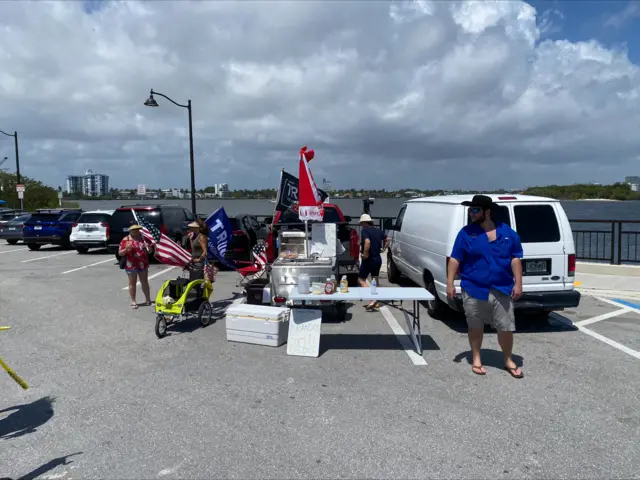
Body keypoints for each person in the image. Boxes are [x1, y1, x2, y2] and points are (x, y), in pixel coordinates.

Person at [446, 195, 524, 378]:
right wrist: (450, 283)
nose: (471, 213)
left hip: (502, 287)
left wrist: (519, 284)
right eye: (470, 210)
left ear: (487, 212)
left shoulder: (508, 233)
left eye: (475, 210)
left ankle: (507, 359)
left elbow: (515, 259)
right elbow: (455, 259)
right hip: (473, 287)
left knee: (505, 326)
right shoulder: (466, 233)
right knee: (475, 325)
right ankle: (476, 358)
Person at [358, 213, 390, 311]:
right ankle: (376, 302)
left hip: (369, 259)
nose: (361, 225)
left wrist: (365, 255)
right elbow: (388, 239)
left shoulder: (365, 231)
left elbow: (367, 242)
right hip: (378, 259)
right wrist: (383, 249)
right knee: (374, 280)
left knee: (361, 279)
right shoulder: (378, 231)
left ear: (365, 223)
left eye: (361, 223)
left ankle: (372, 299)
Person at [118, 224, 153, 309]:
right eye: (134, 230)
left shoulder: (144, 238)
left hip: (142, 263)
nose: (136, 231)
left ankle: (148, 300)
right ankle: (134, 301)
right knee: (132, 283)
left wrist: (149, 248)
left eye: (137, 229)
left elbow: (150, 251)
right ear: (130, 231)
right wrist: (126, 249)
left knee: (144, 282)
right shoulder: (126, 239)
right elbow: (120, 253)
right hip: (131, 264)